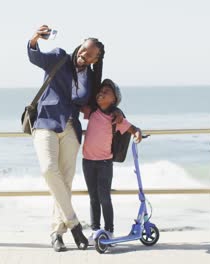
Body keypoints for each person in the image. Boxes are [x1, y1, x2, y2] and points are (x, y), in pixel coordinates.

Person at [27, 25, 123, 252]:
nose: (84, 55)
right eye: (83, 50)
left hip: (70, 127)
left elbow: (98, 105)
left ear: (95, 59)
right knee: (49, 170)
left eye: (90, 55)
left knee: (66, 181)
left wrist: (118, 113)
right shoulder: (59, 57)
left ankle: (57, 233)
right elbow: (35, 56)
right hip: (46, 122)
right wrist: (34, 38)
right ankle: (75, 225)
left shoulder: (90, 78)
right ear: (79, 46)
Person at [81, 79, 143, 245]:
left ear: (114, 99)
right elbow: (78, 105)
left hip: (104, 163)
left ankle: (109, 230)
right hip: (87, 162)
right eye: (101, 90)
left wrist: (137, 134)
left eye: (107, 91)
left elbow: (134, 129)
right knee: (93, 198)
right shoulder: (92, 112)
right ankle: (95, 230)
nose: (102, 92)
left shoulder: (116, 118)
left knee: (104, 197)